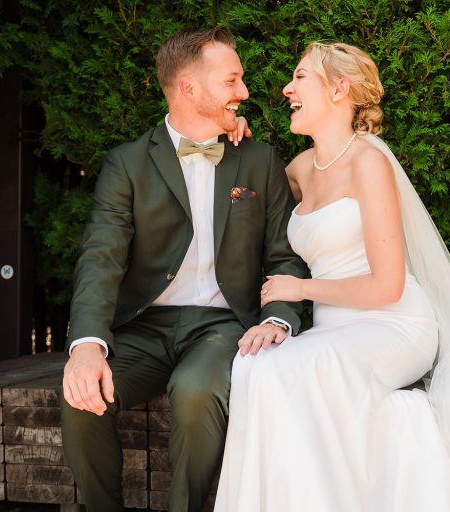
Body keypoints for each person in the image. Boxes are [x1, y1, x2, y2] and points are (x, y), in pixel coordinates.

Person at [214, 42, 450, 512]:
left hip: (393, 324)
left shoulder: (369, 163)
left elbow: (387, 286)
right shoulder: (299, 169)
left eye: (300, 78)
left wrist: (300, 288)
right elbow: (246, 186)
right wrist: (231, 133)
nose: (286, 88)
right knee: (254, 365)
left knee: (287, 368)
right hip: (336, 332)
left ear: (338, 88)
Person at [59, 27, 308, 512]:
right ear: (190, 88)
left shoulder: (258, 161)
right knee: (79, 396)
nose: (245, 91)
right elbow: (100, 256)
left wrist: (277, 318)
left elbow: (284, 256)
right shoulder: (127, 164)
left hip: (221, 327)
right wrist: (87, 344)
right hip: (143, 328)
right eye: (232, 80)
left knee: (196, 395)